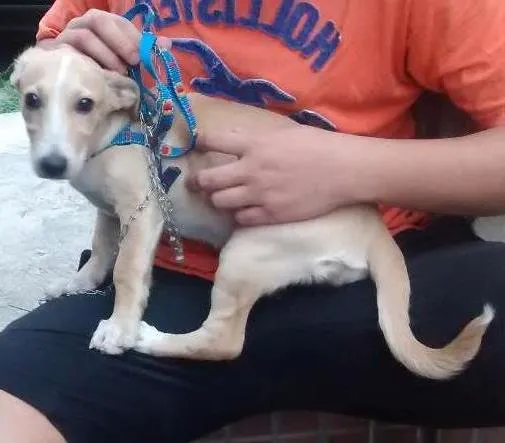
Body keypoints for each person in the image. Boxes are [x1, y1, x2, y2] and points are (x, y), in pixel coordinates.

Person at [2, 0, 505, 442]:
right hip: (167, 282)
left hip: (357, 275)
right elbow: (49, 65)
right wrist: (72, 66)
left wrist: (345, 168)